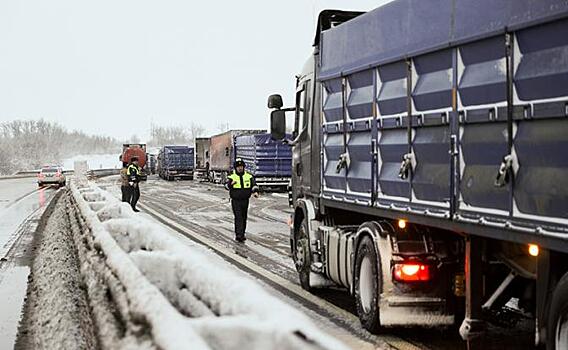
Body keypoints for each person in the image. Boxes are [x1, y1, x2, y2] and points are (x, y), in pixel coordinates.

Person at [225, 158, 259, 242]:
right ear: (235, 168)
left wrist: (255, 192)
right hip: (236, 200)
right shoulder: (232, 177)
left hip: (245, 200)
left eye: (241, 166)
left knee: (244, 218)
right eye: (238, 167)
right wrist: (230, 184)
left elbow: (254, 185)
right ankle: (239, 235)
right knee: (238, 217)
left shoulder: (249, 176)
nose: (240, 168)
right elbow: (225, 186)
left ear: (244, 167)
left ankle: (242, 233)